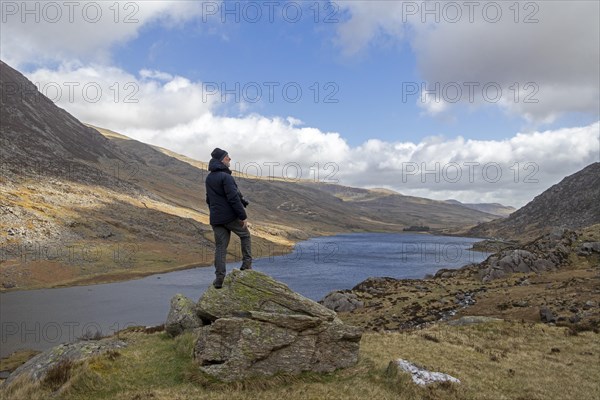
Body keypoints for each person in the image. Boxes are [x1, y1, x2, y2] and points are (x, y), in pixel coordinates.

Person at [205, 148, 252, 288]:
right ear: (221, 160)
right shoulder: (226, 177)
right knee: (245, 235)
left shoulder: (209, 178)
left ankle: (219, 278)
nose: (230, 159)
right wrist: (243, 216)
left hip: (216, 219)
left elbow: (208, 200)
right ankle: (246, 265)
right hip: (230, 217)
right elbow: (233, 198)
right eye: (227, 157)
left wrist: (215, 213)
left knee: (220, 247)